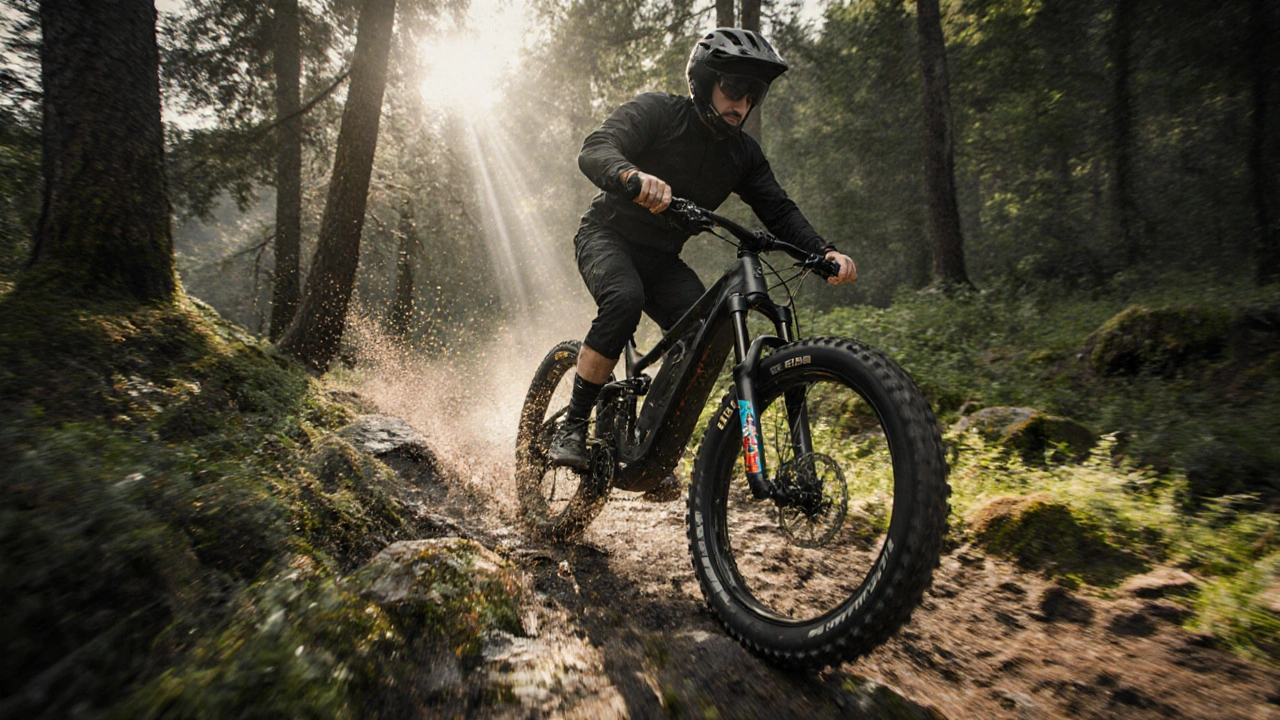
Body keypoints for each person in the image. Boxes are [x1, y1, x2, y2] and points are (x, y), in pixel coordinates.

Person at [549, 27, 856, 475]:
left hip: (662, 259)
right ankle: (573, 424)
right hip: (607, 235)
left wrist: (822, 253)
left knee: (703, 337)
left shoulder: (743, 155)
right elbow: (596, 149)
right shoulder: (659, 112)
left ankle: (647, 450)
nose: (742, 103)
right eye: (733, 87)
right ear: (704, 80)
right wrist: (631, 176)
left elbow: (780, 211)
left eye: (753, 94)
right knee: (624, 299)